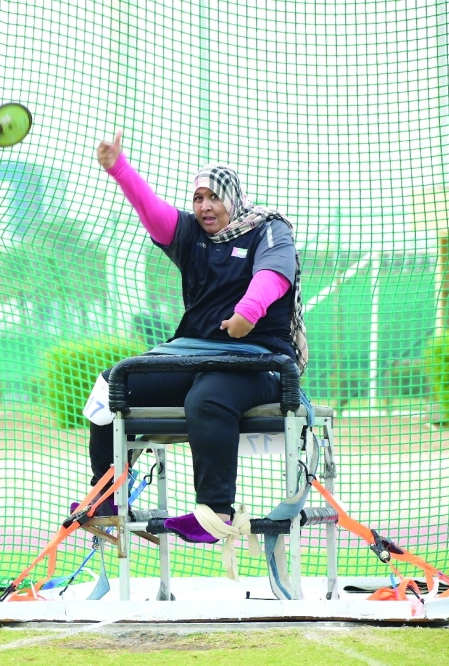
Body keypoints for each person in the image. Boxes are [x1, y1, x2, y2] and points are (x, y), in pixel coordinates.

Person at [79, 130, 305, 544]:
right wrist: (119, 168)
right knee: (115, 383)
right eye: (198, 198)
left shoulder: (268, 228)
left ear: (232, 199)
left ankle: (215, 514)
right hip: (195, 354)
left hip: (258, 359)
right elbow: (152, 210)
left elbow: (275, 273)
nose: (204, 206)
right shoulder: (191, 236)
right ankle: (107, 496)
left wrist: (246, 314)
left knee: (208, 396)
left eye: (213, 197)